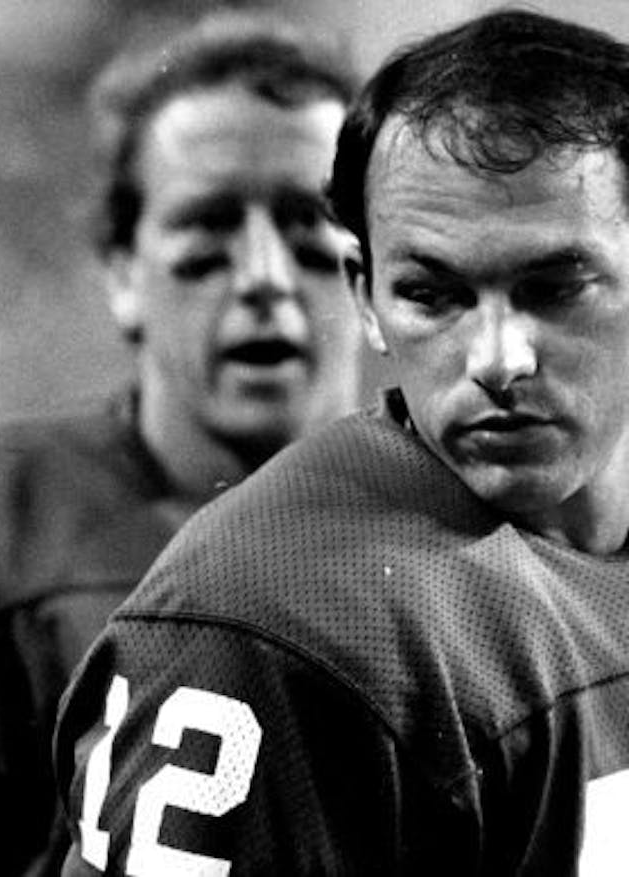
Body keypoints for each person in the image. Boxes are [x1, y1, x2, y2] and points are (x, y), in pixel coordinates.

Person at [0, 12, 365, 875]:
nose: (265, 276)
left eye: (310, 226)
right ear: (122, 272)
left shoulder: (479, 542)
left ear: (377, 269)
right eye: (210, 230)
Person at [54, 8, 629, 874]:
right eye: (433, 295)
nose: (500, 359)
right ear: (365, 296)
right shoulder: (277, 614)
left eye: (555, 286)